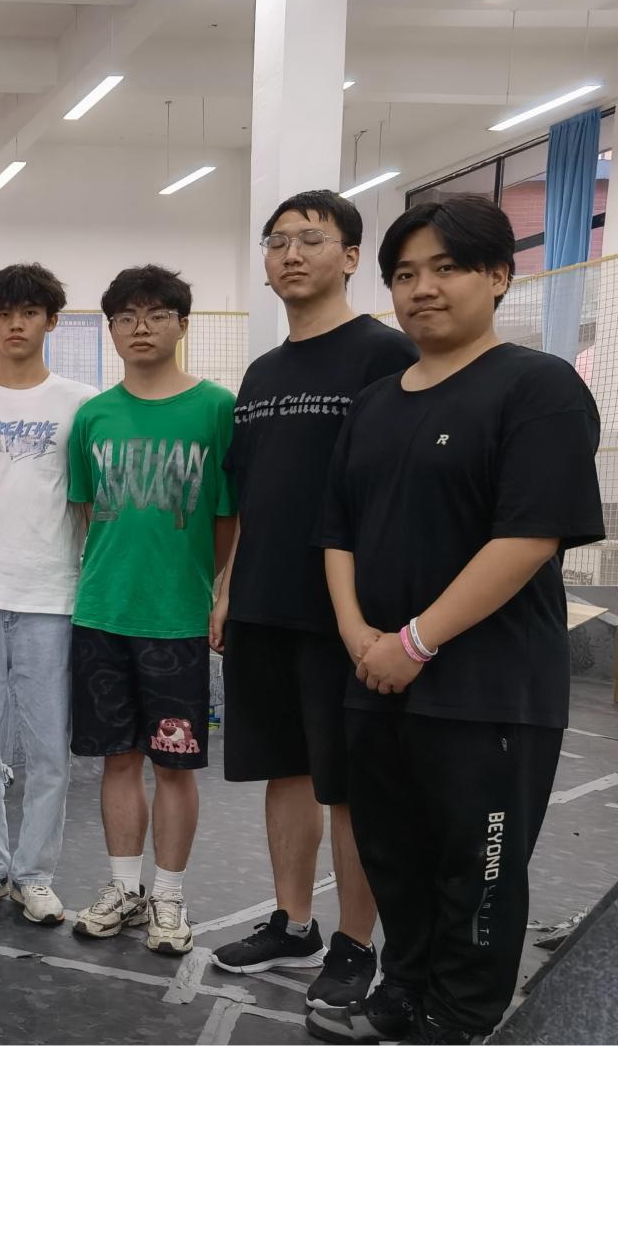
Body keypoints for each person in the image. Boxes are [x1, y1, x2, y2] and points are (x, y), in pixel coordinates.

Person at [311, 194, 601, 1045]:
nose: (422, 288)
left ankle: (459, 1017)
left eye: (446, 268)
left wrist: (415, 639)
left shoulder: (538, 387)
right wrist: (357, 634)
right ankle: (403, 988)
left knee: (478, 865)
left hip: (488, 690)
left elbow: (529, 537)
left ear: (500, 276)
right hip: (376, 677)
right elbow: (337, 532)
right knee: (393, 853)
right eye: (405, 274)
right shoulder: (374, 403)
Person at [207, 192, 415, 1010]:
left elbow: (394, 491)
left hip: (347, 616)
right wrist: (227, 588)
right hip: (263, 606)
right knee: (285, 771)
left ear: (351, 256)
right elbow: (254, 496)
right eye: (277, 241)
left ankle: (356, 943)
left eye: (311, 239)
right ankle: (294, 923)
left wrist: (380, 617)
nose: (291, 253)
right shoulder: (261, 372)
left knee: (350, 784)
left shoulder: (384, 354)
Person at [66, 265, 235, 956]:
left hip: (177, 620)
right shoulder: (92, 416)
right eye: (126, 316)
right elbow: (88, 512)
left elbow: (229, 515)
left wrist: (217, 591)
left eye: (157, 314)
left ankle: (168, 894)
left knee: (174, 766)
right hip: (102, 613)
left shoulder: (216, 408)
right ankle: (123, 888)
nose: (141, 327)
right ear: (110, 329)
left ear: (182, 325)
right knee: (116, 760)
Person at [0, 263, 95, 923]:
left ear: (51, 321)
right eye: (3, 314)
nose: (16, 325)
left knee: (47, 748)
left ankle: (34, 874)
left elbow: (88, 504)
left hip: (52, 595)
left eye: (29, 312)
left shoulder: (81, 402)